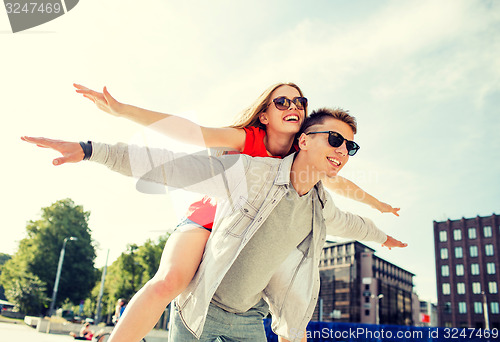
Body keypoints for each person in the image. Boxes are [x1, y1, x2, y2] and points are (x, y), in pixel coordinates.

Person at [22, 107, 407, 341]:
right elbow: (171, 165)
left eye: (350, 147)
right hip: (201, 311)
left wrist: (386, 238)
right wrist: (93, 150)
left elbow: (356, 225)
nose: (343, 151)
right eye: (336, 139)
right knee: (166, 282)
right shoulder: (251, 171)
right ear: (303, 140)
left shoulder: (322, 208)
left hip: (252, 319)